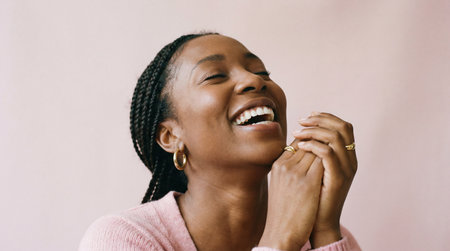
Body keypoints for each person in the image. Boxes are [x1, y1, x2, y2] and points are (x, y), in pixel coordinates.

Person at [79, 32, 361, 251]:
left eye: (262, 73)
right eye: (214, 76)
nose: (254, 80)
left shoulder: (327, 236)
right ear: (170, 136)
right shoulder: (122, 238)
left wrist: (325, 231)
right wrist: (280, 240)